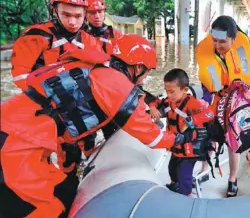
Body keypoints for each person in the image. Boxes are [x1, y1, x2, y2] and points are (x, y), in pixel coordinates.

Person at [0, 34, 208, 218]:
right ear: (137, 68)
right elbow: (153, 138)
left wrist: (73, 159)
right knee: (48, 208)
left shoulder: (95, 69)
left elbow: (69, 114)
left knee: (66, 188)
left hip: (20, 128)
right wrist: (182, 138)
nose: (144, 81)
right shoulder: (118, 86)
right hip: (16, 142)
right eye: (145, 74)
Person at [195, 15, 250, 197]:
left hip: (236, 104)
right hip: (217, 103)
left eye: (223, 42)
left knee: (234, 144)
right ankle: (204, 170)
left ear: (233, 39)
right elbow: (206, 83)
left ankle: (232, 179)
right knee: (210, 138)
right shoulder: (208, 52)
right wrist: (208, 100)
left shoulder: (243, 53)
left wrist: (244, 90)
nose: (218, 45)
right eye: (215, 41)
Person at [10, 0, 102, 91]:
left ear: (85, 14)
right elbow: (20, 75)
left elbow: (100, 71)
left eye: (78, 16)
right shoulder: (35, 37)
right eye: (66, 15)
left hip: (78, 97)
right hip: (43, 97)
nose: (72, 22)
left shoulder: (89, 40)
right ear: (55, 11)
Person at [149, 68, 214, 196]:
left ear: (184, 90)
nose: (168, 95)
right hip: (176, 147)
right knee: (172, 169)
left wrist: (193, 119)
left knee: (184, 175)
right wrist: (152, 107)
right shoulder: (168, 101)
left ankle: (187, 196)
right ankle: (174, 186)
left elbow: (210, 113)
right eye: (166, 91)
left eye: (172, 92)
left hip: (189, 148)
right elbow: (152, 99)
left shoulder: (192, 103)